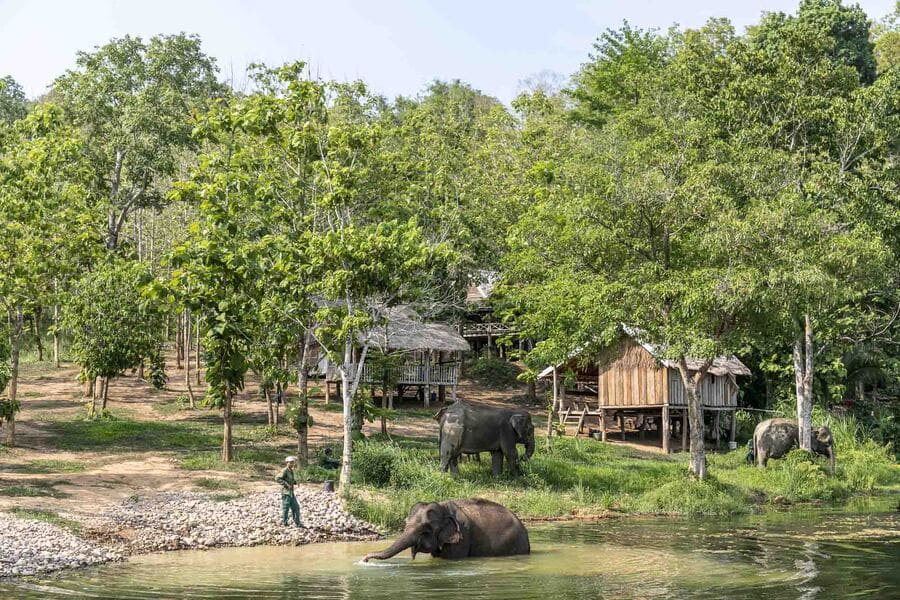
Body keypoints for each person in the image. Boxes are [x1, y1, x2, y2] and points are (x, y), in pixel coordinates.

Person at [275, 456, 303, 527]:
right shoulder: (285, 470)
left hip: (291, 492)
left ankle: (297, 523)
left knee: (296, 507)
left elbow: (290, 480)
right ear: (287, 463)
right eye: (290, 462)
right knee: (286, 508)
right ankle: (285, 523)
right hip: (286, 492)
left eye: (292, 462)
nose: (292, 464)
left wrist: (295, 482)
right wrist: (286, 484)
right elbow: (277, 478)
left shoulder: (291, 470)